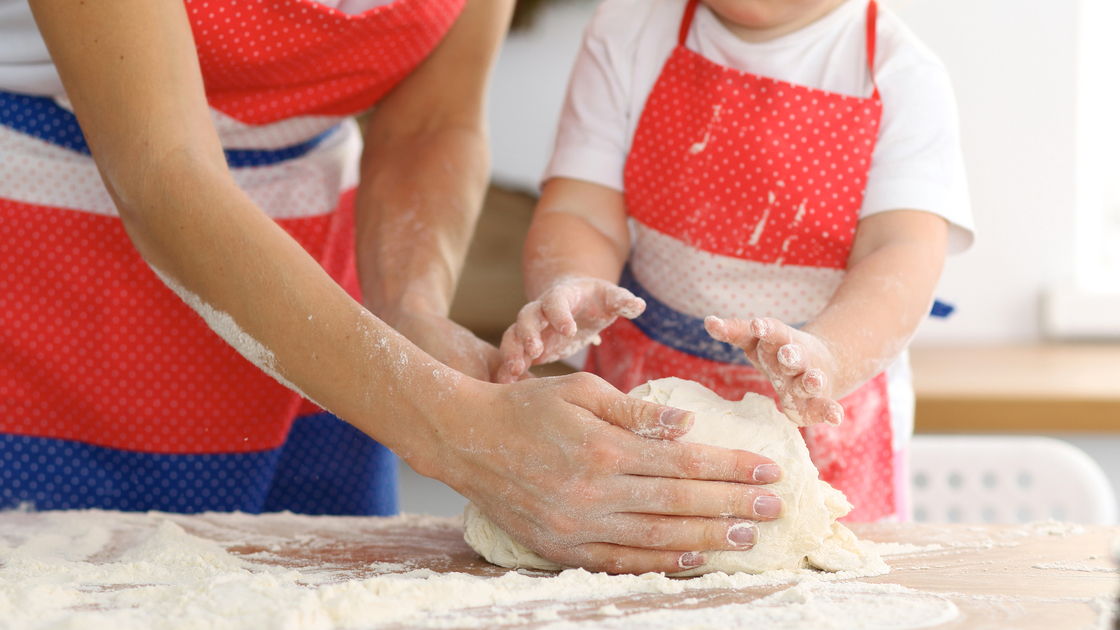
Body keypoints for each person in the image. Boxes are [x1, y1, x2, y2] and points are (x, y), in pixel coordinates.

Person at [0, 0, 786, 574]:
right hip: (51, 276)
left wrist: (408, 310)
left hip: (323, 300)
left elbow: (431, 121)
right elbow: (160, 172)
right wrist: (456, 427)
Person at [497, 0, 975, 522]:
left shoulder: (900, 74)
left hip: (820, 415)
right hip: (649, 393)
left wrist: (830, 358)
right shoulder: (627, 31)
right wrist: (574, 281)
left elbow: (900, 252)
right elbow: (581, 210)